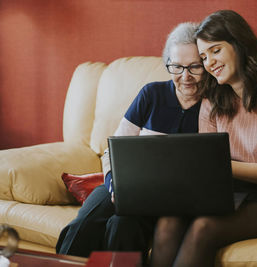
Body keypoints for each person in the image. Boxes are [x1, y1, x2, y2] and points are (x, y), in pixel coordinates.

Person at [150, 10, 257, 267]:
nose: (209, 62)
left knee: (204, 227)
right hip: (228, 192)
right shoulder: (211, 102)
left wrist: (219, 167)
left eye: (215, 50)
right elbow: (206, 167)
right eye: (203, 56)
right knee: (167, 221)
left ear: (239, 44)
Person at [56, 22, 205, 258]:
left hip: (167, 200)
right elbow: (113, 150)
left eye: (194, 67)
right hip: (123, 185)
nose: (185, 76)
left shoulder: (214, 107)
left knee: (122, 225)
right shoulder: (152, 94)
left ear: (205, 65)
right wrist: (115, 184)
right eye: (176, 66)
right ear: (167, 64)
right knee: (82, 226)